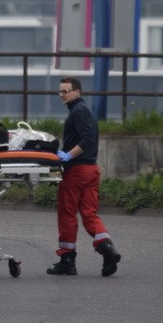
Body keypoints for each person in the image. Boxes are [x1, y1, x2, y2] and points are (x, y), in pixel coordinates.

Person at [48, 77, 121, 277]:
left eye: (66, 91)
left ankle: (67, 260)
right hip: (91, 170)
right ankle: (108, 249)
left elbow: (88, 138)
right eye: (60, 91)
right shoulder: (83, 110)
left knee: (67, 215)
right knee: (89, 215)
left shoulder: (78, 111)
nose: (62, 95)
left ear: (77, 92)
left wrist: (68, 155)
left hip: (76, 172)